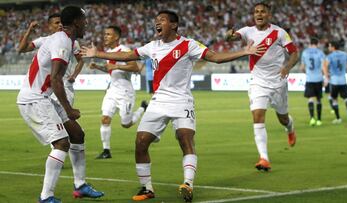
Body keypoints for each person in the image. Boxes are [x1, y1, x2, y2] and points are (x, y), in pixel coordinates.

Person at [81, 10, 265, 202]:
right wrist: (97, 54)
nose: (157, 23)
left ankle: (188, 184)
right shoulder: (152, 46)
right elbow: (128, 56)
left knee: (185, 139)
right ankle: (147, 188)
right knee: (140, 142)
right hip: (158, 101)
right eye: (156, 21)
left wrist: (244, 52)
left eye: (162, 20)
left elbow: (215, 57)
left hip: (181, 101)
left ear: (174, 25)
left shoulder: (188, 45)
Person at [17, 6, 103, 203]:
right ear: (76, 22)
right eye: (84, 20)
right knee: (62, 143)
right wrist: (69, 109)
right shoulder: (62, 41)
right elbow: (56, 79)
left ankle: (80, 186)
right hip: (34, 99)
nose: (87, 24)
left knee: (77, 134)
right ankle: (46, 197)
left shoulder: (66, 40)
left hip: (43, 97)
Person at [226, 2, 299, 171]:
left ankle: (290, 128)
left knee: (283, 118)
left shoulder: (279, 33)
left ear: (269, 15)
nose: (259, 14)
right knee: (258, 116)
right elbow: (231, 37)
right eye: (256, 12)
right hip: (258, 82)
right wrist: (228, 35)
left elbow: (294, 53)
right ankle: (264, 158)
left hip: (278, 82)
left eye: (263, 12)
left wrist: (287, 67)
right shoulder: (247, 31)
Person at [89, 26, 148, 159]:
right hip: (112, 91)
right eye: (105, 34)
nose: (105, 36)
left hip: (125, 92)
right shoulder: (108, 52)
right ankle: (106, 150)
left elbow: (135, 67)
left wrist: (116, 65)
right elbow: (112, 71)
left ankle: (142, 109)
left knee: (126, 124)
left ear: (116, 37)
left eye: (108, 34)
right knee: (105, 119)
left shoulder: (125, 50)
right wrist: (98, 67)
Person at [323, 40, 347, 124]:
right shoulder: (344, 54)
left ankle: (338, 118)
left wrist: (327, 76)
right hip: (343, 80)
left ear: (333, 47)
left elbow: (325, 66)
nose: (329, 48)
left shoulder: (330, 56)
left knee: (334, 99)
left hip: (334, 80)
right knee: (346, 98)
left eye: (330, 46)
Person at [300, 38, 326, 126]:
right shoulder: (320, 53)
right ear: (317, 44)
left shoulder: (305, 52)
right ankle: (319, 120)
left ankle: (312, 119)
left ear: (310, 43)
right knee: (318, 99)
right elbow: (323, 67)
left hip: (309, 79)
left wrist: (306, 73)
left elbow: (302, 67)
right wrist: (325, 77)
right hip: (318, 78)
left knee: (311, 98)